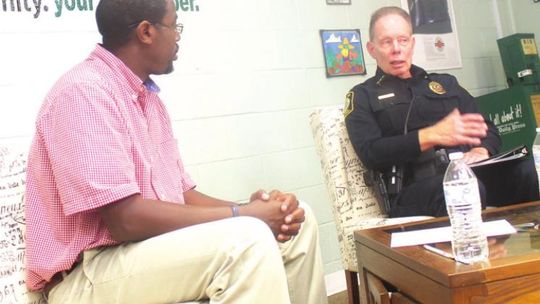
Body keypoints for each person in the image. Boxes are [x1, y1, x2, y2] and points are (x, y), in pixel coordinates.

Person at [24, 0, 327, 303]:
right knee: (248, 241)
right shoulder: (84, 93)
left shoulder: (147, 98)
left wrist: (255, 210)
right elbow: (124, 219)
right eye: (174, 26)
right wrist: (244, 216)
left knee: (298, 222)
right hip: (88, 276)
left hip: (141, 251)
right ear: (146, 32)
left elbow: (181, 195)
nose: (178, 36)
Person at [344, 6, 539, 218]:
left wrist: (482, 151)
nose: (396, 49)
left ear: (412, 43)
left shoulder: (445, 83)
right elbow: (371, 152)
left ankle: (532, 246)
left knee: (528, 171)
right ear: (372, 49)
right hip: (415, 188)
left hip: (470, 172)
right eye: (386, 42)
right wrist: (429, 136)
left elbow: (487, 129)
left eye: (403, 40)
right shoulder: (363, 95)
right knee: (463, 189)